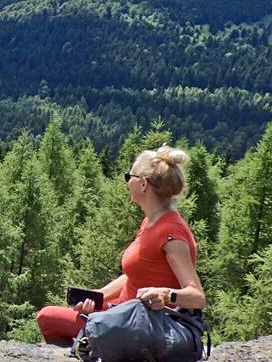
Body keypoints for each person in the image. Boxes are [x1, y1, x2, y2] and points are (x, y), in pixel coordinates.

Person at [36, 146, 205, 344]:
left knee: (47, 318)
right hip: (122, 314)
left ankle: (92, 356)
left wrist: (166, 294)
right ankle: (94, 351)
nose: (126, 183)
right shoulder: (151, 222)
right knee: (60, 316)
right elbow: (135, 275)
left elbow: (197, 297)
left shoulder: (171, 232)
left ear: (143, 184)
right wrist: (99, 296)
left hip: (139, 325)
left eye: (129, 176)